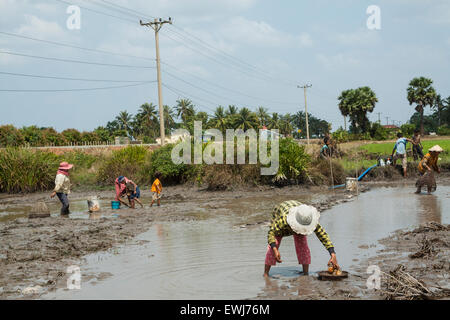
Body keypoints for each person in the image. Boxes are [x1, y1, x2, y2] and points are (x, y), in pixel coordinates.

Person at [264, 200, 339, 278]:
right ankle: (266, 273)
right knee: (274, 245)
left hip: (299, 212)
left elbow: (323, 235)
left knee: (302, 243)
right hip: (281, 215)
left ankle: (305, 273)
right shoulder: (283, 220)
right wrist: (275, 249)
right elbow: (271, 233)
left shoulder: (309, 218)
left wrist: (332, 254)